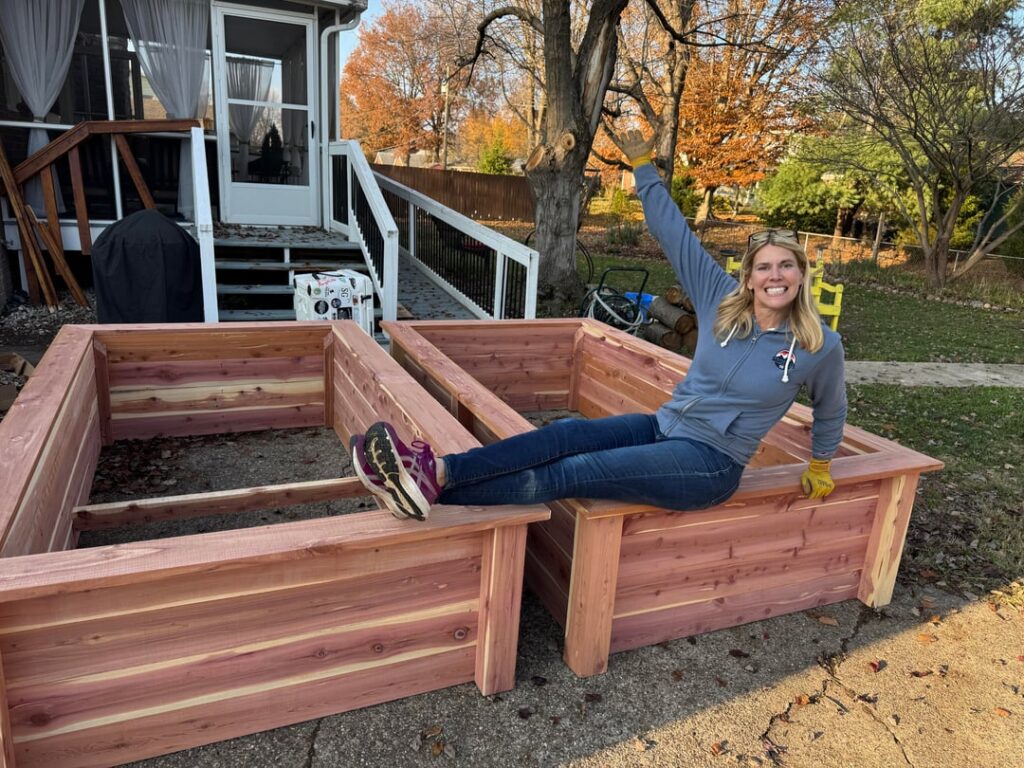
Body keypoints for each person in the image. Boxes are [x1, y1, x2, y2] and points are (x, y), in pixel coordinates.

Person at [351, 130, 847, 521]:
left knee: (576, 470)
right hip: (663, 427)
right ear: (750, 276)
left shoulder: (819, 344)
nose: (775, 276)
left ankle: (429, 492)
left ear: (801, 274)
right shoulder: (720, 298)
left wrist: (822, 462)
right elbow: (674, 234)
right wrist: (644, 169)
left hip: (710, 464)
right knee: (562, 436)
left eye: (786, 266)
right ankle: (434, 470)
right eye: (765, 267)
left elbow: (831, 408)